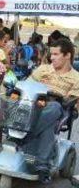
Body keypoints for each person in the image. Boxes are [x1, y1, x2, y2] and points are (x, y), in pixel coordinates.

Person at [25, 38, 79, 184]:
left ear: (67, 55)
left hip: (59, 107)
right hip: (35, 103)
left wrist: (52, 97)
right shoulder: (43, 69)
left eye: (56, 54)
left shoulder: (76, 78)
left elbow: (72, 102)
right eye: (51, 54)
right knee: (48, 127)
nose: (51, 57)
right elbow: (27, 85)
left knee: (54, 108)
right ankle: (42, 164)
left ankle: (27, 136)